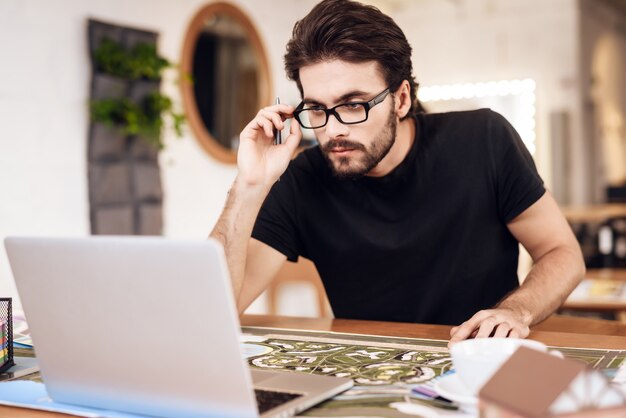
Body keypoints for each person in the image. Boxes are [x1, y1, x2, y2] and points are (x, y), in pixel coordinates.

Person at [210, 0, 585, 345]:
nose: (333, 129)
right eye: (317, 109)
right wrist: (249, 185)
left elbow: (562, 253)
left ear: (401, 98)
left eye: (353, 104)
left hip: (480, 362)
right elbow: (216, 311)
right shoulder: (302, 179)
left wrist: (515, 310)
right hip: (370, 376)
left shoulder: (484, 139)